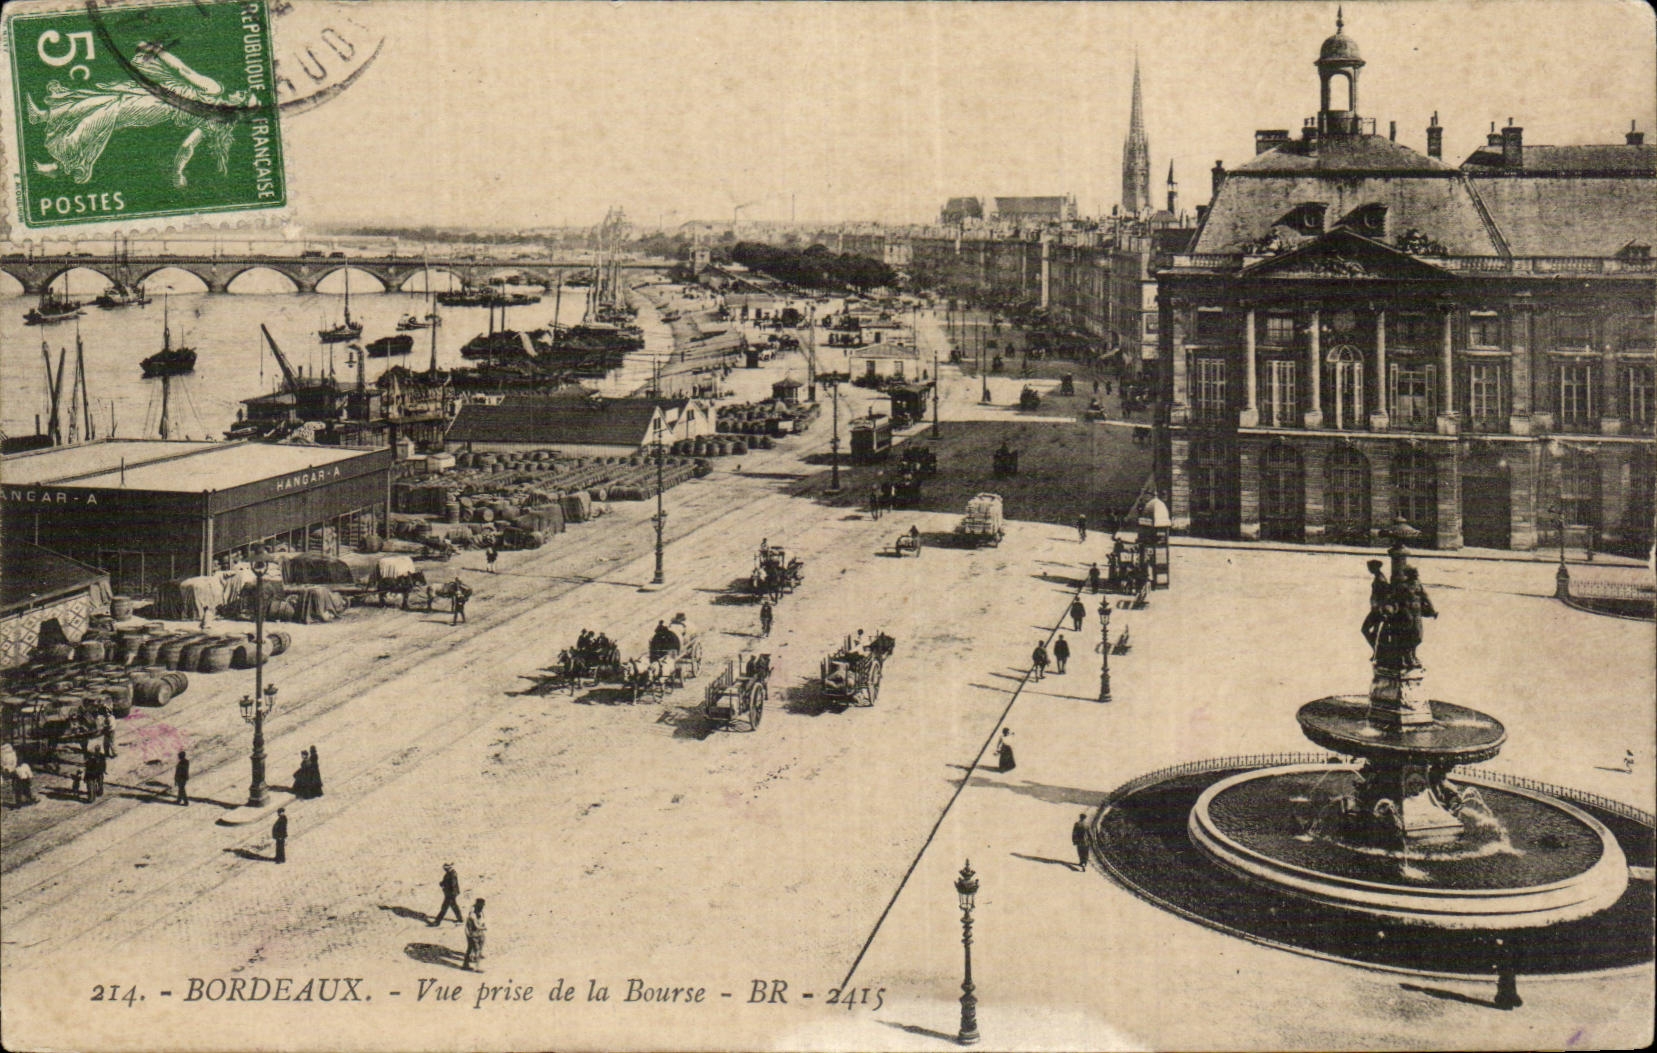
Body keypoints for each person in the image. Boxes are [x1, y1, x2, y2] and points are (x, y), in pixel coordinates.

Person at [1360, 559, 1389, 650]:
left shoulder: (1380, 579)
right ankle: (1377, 651)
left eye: (1370, 567)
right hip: (1376, 608)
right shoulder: (1379, 577)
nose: (1369, 569)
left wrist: (1379, 607)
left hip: (1378, 609)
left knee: (1365, 629)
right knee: (1375, 631)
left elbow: (1384, 594)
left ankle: (1377, 650)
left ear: (1375, 568)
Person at [463, 898, 488, 972]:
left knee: (472, 949)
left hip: (477, 933)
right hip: (473, 934)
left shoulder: (480, 912)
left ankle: (465, 964)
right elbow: (476, 925)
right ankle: (477, 967)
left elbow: (482, 921)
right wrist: (483, 927)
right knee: (477, 950)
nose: (482, 907)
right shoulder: (473, 914)